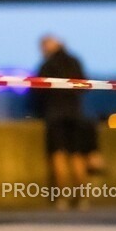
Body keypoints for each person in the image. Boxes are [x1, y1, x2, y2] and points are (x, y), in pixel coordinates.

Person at [29, 35, 90, 209]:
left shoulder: (47, 65)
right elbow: (84, 86)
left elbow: (37, 92)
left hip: (54, 114)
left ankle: (61, 197)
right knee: (77, 155)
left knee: (58, 155)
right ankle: (82, 198)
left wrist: (37, 111)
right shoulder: (74, 61)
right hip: (75, 113)